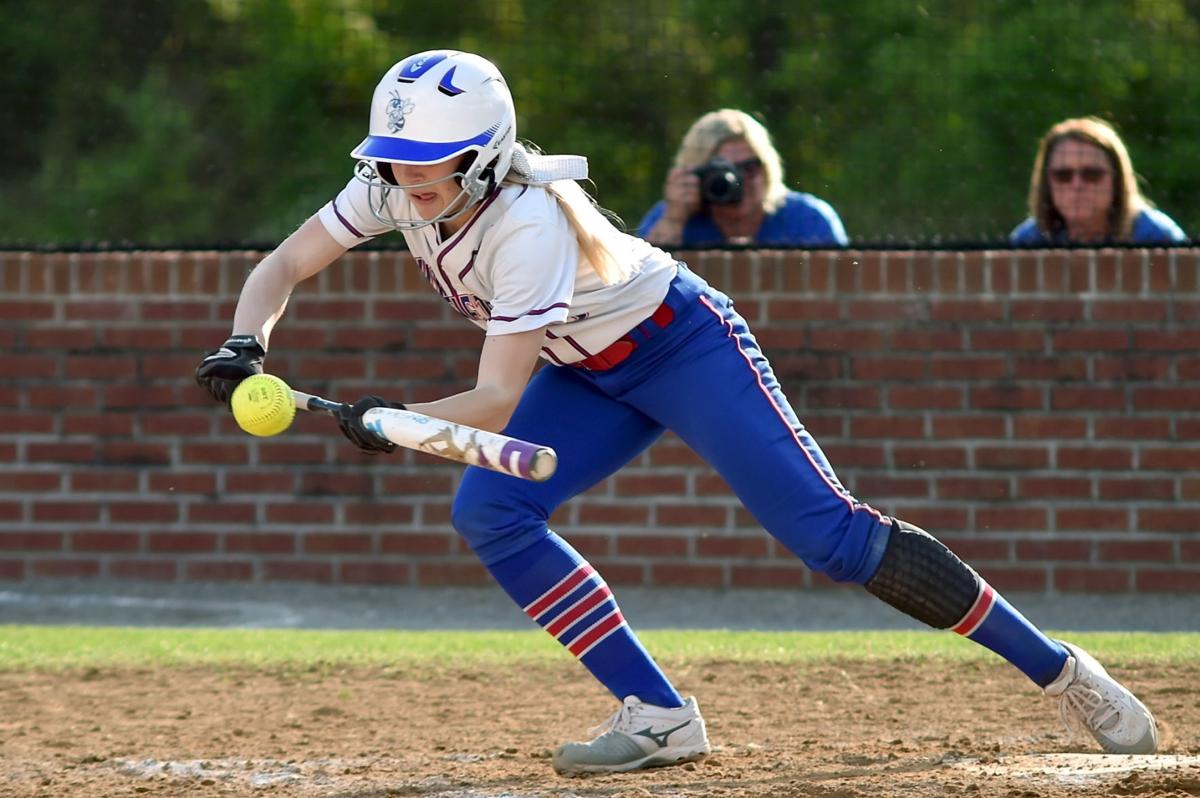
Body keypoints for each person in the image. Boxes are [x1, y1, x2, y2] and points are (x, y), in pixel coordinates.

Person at [196, 50, 1158, 776]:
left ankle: (1063, 671)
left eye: (430, 159)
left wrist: (391, 419)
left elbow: (491, 401)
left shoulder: (525, 226)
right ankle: (656, 714)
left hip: (678, 344)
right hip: (584, 368)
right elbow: (282, 267)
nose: (408, 177)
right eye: (396, 156)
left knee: (832, 539)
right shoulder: (393, 186)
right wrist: (248, 344)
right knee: (490, 510)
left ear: (483, 158)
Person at [636, 108, 847, 248]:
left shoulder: (808, 220)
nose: (739, 181)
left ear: (768, 167)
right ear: (694, 175)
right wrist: (674, 219)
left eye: (750, 167)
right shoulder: (670, 217)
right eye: (722, 172)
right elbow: (641, 286)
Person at [1011, 116, 1187, 245]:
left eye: (1092, 174)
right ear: (1046, 182)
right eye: (1063, 175)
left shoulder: (1157, 236)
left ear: (1117, 179)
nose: (1077, 185)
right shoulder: (1028, 240)